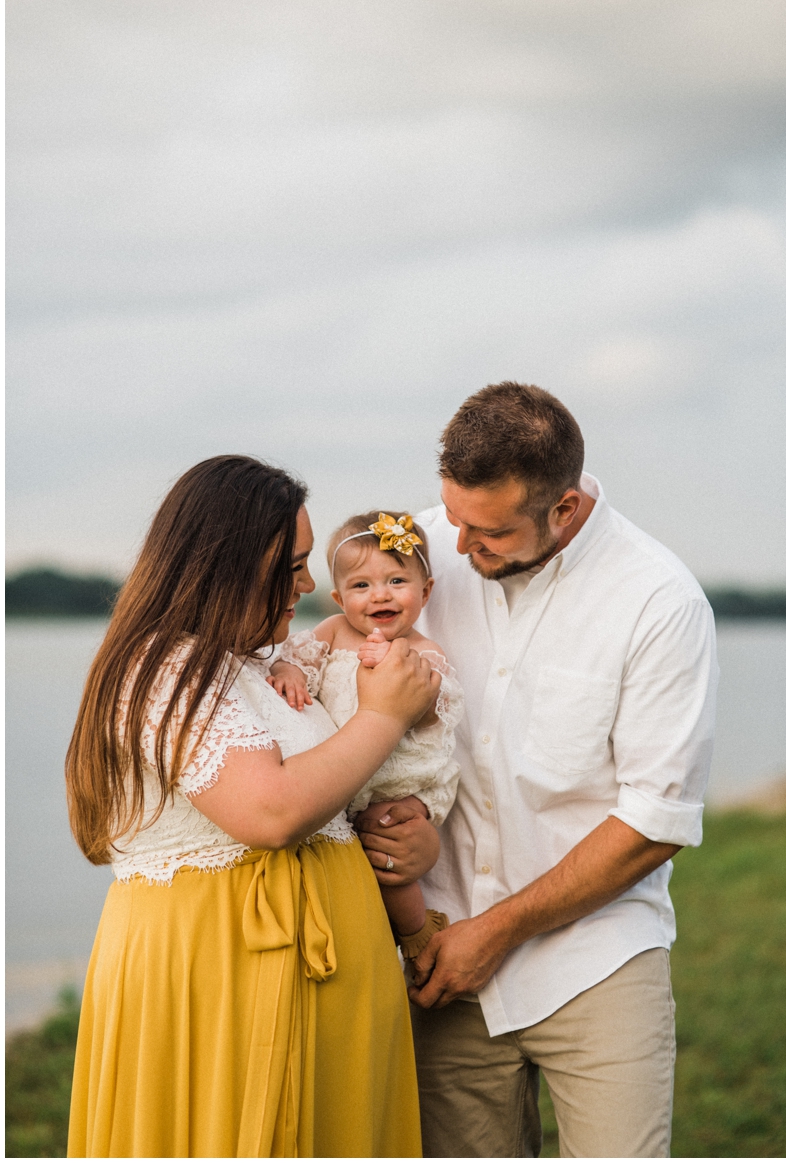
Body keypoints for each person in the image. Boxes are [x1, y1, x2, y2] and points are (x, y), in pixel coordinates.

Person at [65, 454, 441, 1157]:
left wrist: (412, 838)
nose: (309, 583)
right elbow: (267, 812)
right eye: (293, 565)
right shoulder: (160, 667)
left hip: (328, 994)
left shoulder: (268, 659)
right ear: (229, 565)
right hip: (216, 986)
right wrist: (383, 717)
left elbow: (333, 795)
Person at [403, 382, 717, 1158]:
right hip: (439, 965)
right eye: (455, 519)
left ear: (566, 509)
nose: (462, 546)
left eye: (493, 531)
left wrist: (496, 931)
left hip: (597, 959)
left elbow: (653, 823)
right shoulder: (422, 553)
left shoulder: (658, 601)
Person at [269, 509, 465, 964]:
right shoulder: (332, 633)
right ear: (339, 596)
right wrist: (289, 673)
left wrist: (391, 668)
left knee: (387, 854)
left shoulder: (423, 651)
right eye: (361, 586)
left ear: (425, 590)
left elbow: (433, 713)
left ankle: (417, 933)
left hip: (398, 780)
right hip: (341, 773)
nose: (380, 595)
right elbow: (293, 659)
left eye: (397, 581)